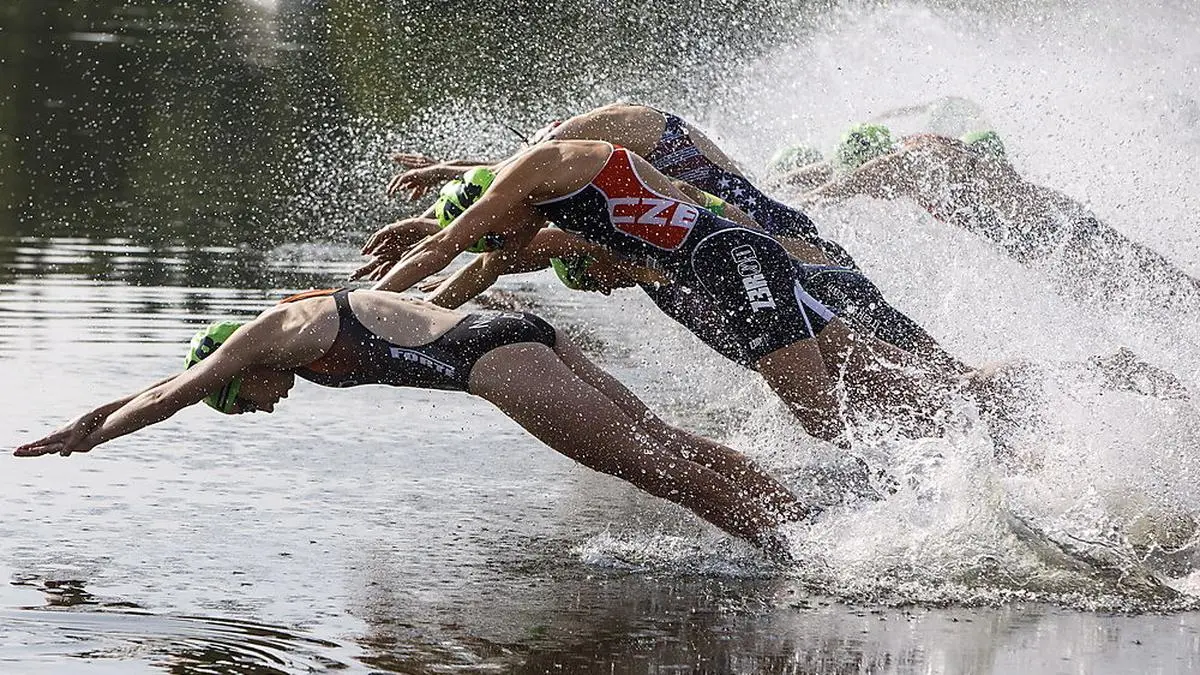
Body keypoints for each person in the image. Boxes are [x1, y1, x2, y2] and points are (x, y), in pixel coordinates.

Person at [12, 287, 810, 556]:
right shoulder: (282, 330)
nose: (266, 404)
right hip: (519, 333)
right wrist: (97, 413)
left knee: (652, 469)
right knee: (664, 443)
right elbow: (183, 378)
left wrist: (88, 435)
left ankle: (795, 550)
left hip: (493, 363)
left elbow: (175, 393)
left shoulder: (268, 335)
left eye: (245, 400)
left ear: (242, 370)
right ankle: (802, 517)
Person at [361, 136, 954, 444]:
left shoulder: (545, 168)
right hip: (726, 272)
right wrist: (414, 305)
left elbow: (451, 247)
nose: (507, 246)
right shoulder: (540, 207)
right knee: (876, 381)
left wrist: (353, 308)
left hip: (732, 259)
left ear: (499, 203)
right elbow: (475, 265)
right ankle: (988, 416)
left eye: (497, 233)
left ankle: (923, 494)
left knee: (822, 414)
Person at [777, 123, 1200, 312]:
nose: (875, 194)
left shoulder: (912, 162)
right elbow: (833, 173)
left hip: (1052, 229)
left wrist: (808, 204)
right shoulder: (907, 153)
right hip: (1036, 231)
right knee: (1129, 291)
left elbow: (847, 182)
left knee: (1146, 282)